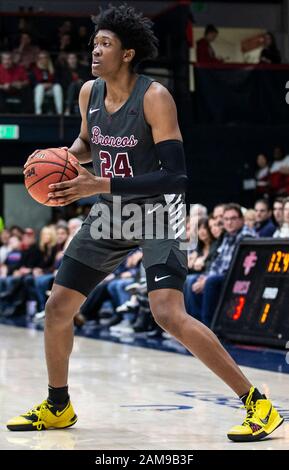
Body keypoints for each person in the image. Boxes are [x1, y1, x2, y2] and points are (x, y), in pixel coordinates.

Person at [7, 5, 283, 442]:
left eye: (105, 44)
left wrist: (99, 184)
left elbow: (175, 176)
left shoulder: (155, 98)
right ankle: (58, 406)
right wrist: (56, 158)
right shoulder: (88, 93)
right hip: (110, 212)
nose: (94, 50)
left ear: (128, 53)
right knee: (57, 307)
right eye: (94, 42)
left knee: (168, 314)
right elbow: (85, 142)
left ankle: (258, 405)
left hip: (159, 211)